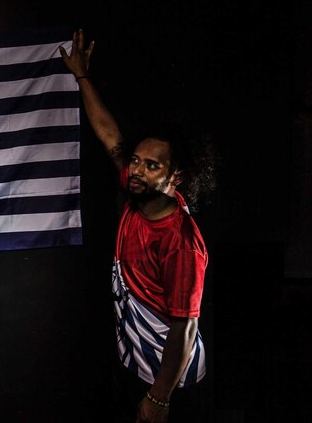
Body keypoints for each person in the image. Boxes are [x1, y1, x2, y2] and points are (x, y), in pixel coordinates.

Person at [60, 29, 217, 422]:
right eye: (136, 160)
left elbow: (184, 328)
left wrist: (159, 398)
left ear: (176, 177)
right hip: (135, 365)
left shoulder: (181, 241)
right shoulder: (136, 194)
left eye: (152, 165)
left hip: (171, 385)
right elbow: (109, 133)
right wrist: (82, 76)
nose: (136, 170)